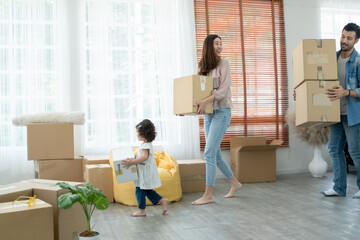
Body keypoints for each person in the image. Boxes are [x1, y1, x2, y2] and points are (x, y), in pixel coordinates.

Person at [191, 34, 242, 205]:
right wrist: (186, 109)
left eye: (221, 43)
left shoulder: (224, 63)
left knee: (209, 153)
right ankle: (235, 183)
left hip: (222, 112)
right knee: (216, 154)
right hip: (209, 114)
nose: (220, 46)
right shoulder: (202, 66)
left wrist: (206, 100)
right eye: (216, 43)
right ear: (208, 46)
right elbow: (196, 91)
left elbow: (223, 90)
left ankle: (208, 195)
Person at [321, 22, 360, 198]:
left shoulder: (358, 62)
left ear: (356, 40)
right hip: (334, 112)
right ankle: (338, 187)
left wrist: (347, 92)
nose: (344, 40)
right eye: (343, 36)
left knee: (355, 152)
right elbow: (318, 82)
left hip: (352, 114)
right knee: (334, 149)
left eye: (349, 38)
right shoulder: (331, 58)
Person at [121, 119, 169, 216]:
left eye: (137, 132)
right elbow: (142, 156)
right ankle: (163, 200)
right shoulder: (145, 144)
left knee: (139, 190)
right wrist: (133, 158)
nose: (136, 134)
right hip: (144, 171)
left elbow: (145, 157)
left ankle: (142, 210)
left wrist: (132, 162)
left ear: (143, 133)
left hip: (145, 172)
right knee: (147, 190)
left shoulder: (146, 145)